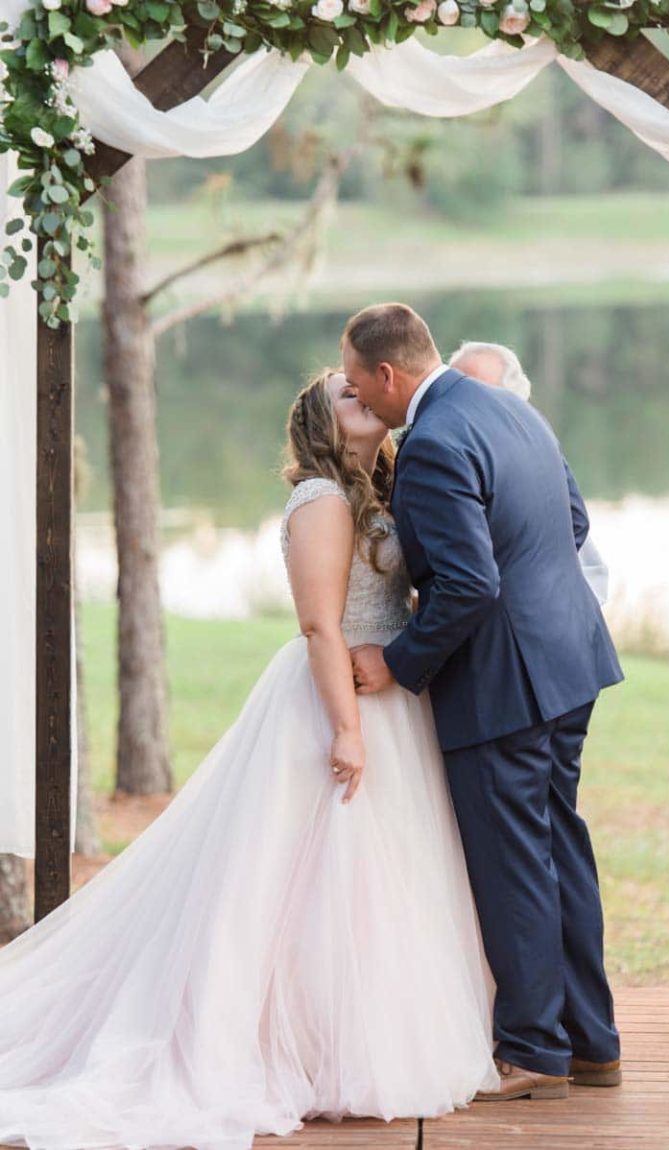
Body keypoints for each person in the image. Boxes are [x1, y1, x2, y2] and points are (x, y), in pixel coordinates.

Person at [0, 368, 499, 1149]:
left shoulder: (382, 485)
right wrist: (345, 728)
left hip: (392, 700)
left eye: (364, 386)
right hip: (333, 703)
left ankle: (365, 1034)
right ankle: (288, 1045)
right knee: (307, 878)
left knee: (380, 884)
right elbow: (319, 626)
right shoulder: (323, 501)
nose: (362, 396)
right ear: (320, 424)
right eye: (344, 394)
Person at [344, 303, 624, 1102]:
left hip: (504, 680)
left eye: (360, 383)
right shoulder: (509, 407)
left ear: (388, 375)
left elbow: (468, 585)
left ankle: (535, 1049)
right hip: (572, 661)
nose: (361, 396)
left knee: (514, 864)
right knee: (559, 847)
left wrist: (397, 662)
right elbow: (572, 520)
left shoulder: (431, 442)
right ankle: (591, 1041)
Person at [448, 340, 610, 606]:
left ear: (515, 406)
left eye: (477, 393)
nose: (460, 405)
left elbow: (589, 567)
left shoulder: (540, 474)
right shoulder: (440, 467)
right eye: (454, 391)